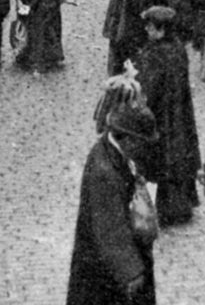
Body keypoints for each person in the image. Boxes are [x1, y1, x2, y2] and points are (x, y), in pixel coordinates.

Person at [66, 102, 160, 305]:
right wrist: (131, 272)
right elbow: (109, 229)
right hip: (106, 274)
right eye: (140, 142)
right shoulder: (105, 172)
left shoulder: (111, 152)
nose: (144, 148)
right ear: (126, 139)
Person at [134, 6, 200, 227]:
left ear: (161, 29)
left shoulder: (154, 53)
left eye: (150, 26)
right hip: (180, 115)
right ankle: (182, 204)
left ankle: (168, 208)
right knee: (179, 157)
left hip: (161, 116)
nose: (146, 30)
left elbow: (149, 87)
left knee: (163, 159)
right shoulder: (178, 48)